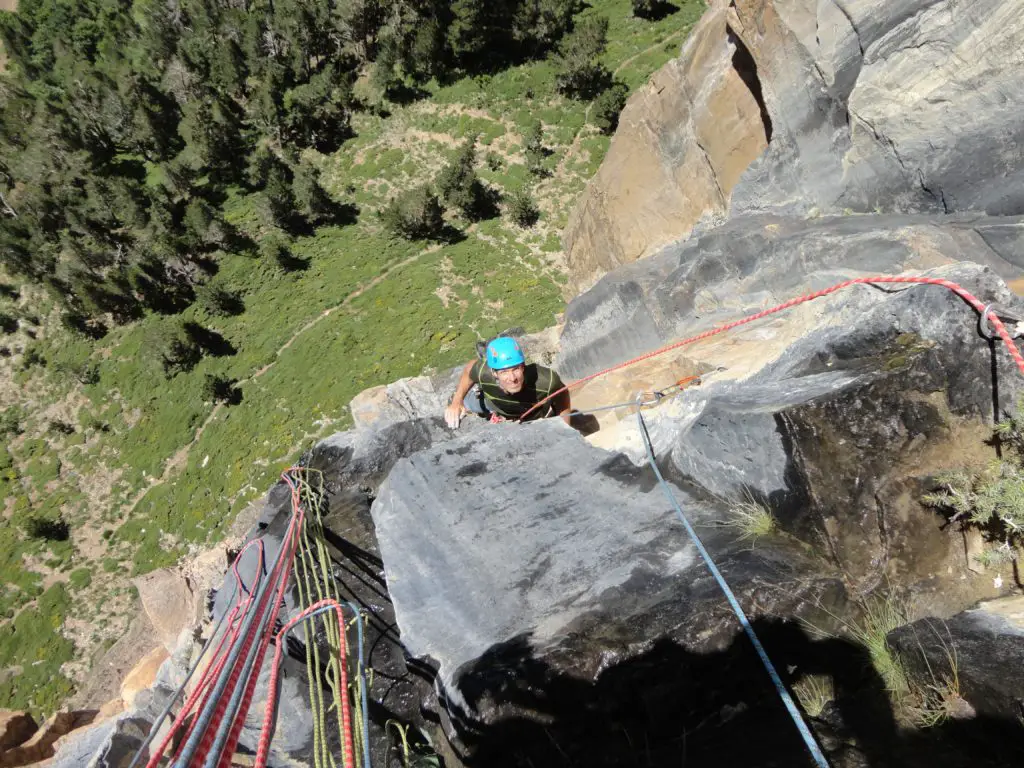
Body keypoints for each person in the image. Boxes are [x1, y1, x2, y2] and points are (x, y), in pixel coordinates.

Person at [444, 336, 572, 428]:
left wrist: (566, 427)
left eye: (516, 369)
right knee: (462, 403)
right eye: (504, 372)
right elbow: (469, 369)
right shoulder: (485, 373)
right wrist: (456, 401)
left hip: (529, 416)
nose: (512, 378)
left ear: (523, 366)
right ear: (494, 373)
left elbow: (562, 395)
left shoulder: (545, 381)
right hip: (493, 405)